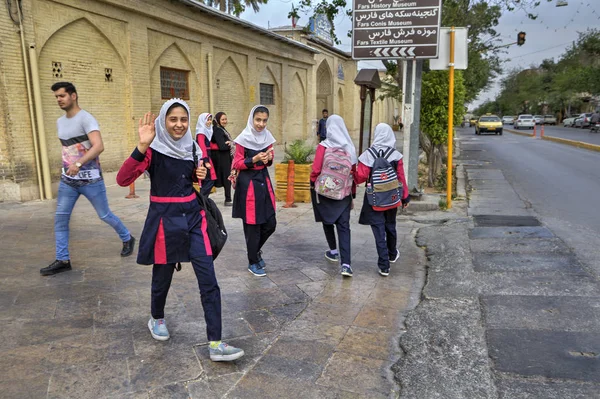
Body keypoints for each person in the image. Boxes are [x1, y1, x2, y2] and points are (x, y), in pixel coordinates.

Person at [116, 99, 244, 362]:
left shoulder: (193, 149)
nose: (179, 124)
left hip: (194, 219)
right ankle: (157, 317)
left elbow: (207, 181)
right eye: (173, 119)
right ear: (164, 121)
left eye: (183, 119)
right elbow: (123, 179)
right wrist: (141, 146)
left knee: (208, 277)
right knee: (162, 276)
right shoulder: (153, 150)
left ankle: (216, 342)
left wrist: (202, 174)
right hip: (164, 220)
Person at [40, 82, 135, 276]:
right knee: (60, 218)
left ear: (73, 96)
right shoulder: (60, 122)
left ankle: (127, 238)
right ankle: (62, 259)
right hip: (68, 181)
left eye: (62, 96)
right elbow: (68, 149)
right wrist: (69, 167)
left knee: (104, 215)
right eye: (56, 97)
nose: (58, 99)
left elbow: (98, 146)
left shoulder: (86, 119)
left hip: (91, 180)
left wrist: (79, 164)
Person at [355, 123, 410, 277]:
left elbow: (360, 178)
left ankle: (383, 266)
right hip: (392, 198)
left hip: (374, 199)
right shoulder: (395, 155)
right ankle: (392, 254)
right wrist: (405, 197)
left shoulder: (368, 154)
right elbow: (401, 178)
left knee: (379, 230)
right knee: (390, 226)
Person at [310, 115, 357, 277]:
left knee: (327, 219)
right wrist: (353, 193)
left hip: (325, 192)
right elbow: (354, 173)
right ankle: (346, 265)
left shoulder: (323, 146)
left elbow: (316, 170)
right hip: (344, 194)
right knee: (344, 227)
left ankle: (333, 250)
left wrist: (313, 183)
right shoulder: (349, 147)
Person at [232, 105, 276, 277]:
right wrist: (254, 159)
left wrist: (269, 159)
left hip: (263, 182)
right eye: (258, 120)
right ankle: (252, 261)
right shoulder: (243, 139)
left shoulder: (267, 138)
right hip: (248, 184)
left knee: (270, 223)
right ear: (252, 119)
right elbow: (237, 163)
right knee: (252, 225)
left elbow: (268, 161)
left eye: (264, 120)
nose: (261, 124)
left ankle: (254, 252)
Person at [211, 112, 235, 206]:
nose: (225, 121)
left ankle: (228, 199)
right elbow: (222, 146)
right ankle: (228, 199)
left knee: (225, 178)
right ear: (218, 121)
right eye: (223, 119)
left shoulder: (221, 129)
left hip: (223, 157)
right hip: (221, 158)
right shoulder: (217, 130)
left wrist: (230, 143)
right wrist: (231, 145)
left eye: (225, 119)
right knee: (225, 178)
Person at [195, 113, 217, 196]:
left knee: (208, 180)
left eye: (210, 119)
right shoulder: (201, 132)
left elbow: (209, 145)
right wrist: (206, 161)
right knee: (209, 180)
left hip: (207, 157)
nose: (209, 122)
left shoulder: (206, 132)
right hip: (204, 158)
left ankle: (203, 200)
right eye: (207, 119)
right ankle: (202, 200)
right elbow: (202, 147)